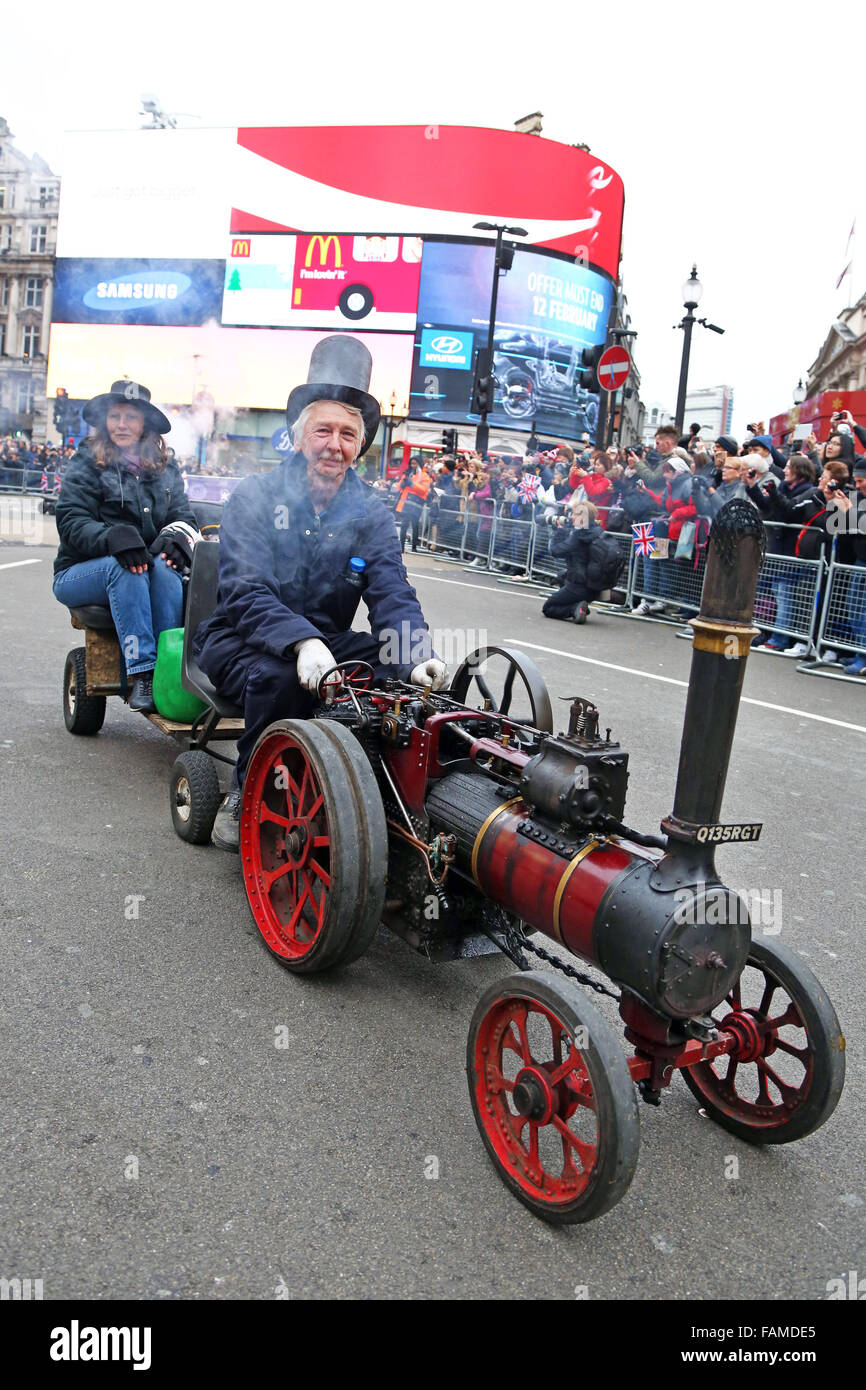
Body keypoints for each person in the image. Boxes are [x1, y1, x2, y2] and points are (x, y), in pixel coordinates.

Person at [192, 336, 445, 851]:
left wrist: (415, 658)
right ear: (299, 435)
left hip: (328, 642)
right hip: (241, 640)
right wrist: (301, 642)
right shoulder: (256, 497)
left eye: (348, 434)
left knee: (391, 668)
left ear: (360, 445)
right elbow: (244, 592)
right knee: (283, 676)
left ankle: (371, 790)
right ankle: (246, 791)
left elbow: (392, 592)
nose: (335, 444)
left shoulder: (371, 513)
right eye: (323, 429)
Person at [52, 381, 199, 713]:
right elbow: (72, 520)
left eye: (130, 417)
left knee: (164, 566)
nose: (121, 424)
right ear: (104, 420)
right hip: (80, 573)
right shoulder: (86, 460)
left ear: (144, 423)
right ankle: (143, 673)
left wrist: (178, 537)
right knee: (126, 568)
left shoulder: (165, 465)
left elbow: (183, 515)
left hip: (144, 569)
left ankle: (170, 669)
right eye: (114, 416)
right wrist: (110, 538)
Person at [542, 500, 604, 623]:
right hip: (595, 585)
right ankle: (577, 602)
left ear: (582, 517)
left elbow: (555, 551)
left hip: (579, 585)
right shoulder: (598, 532)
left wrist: (558, 531)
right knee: (561, 575)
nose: (572, 517)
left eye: (575, 514)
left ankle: (574, 608)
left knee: (548, 608)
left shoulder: (579, 536)